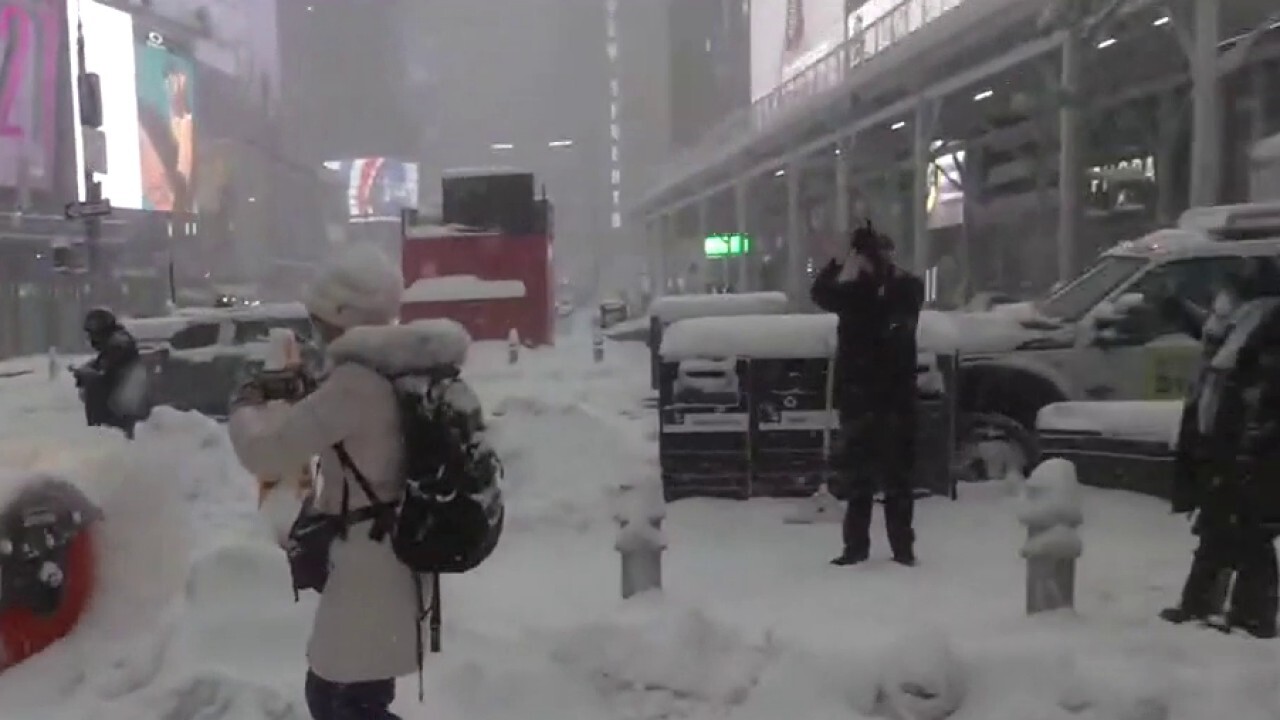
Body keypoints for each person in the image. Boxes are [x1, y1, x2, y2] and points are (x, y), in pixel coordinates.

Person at [227, 245, 424, 720]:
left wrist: (244, 405)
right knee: (354, 700)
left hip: (367, 562)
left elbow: (266, 453)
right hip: (393, 555)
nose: (316, 330)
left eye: (320, 320)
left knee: (342, 703)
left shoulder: (355, 384)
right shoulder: (400, 364)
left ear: (342, 317)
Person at [1159, 261, 1280, 637]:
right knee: (1217, 527)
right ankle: (1200, 605)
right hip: (1229, 447)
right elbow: (1217, 341)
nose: (1220, 301)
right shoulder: (1243, 326)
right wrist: (1179, 311)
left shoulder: (1267, 329)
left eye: (1229, 292)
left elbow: (1262, 393)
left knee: (1251, 534)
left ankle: (1253, 617)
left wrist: (1253, 445)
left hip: (1253, 453)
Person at [811, 224, 925, 566]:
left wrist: (842, 265)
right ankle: (880, 548)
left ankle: (885, 547)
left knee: (887, 478)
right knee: (870, 477)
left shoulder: (892, 289)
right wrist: (844, 265)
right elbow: (821, 294)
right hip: (878, 395)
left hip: (876, 395)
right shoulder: (866, 291)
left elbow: (821, 292)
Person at [71, 308, 148, 439]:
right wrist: (86, 368)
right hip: (125, 392)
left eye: (93, 334)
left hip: (128, 396)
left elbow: (105, 368)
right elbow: (101, 362)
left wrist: (88, 373)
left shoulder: (118, 342)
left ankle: (100, 430)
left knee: (94, 385)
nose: (91, 339)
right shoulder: (115, 341)